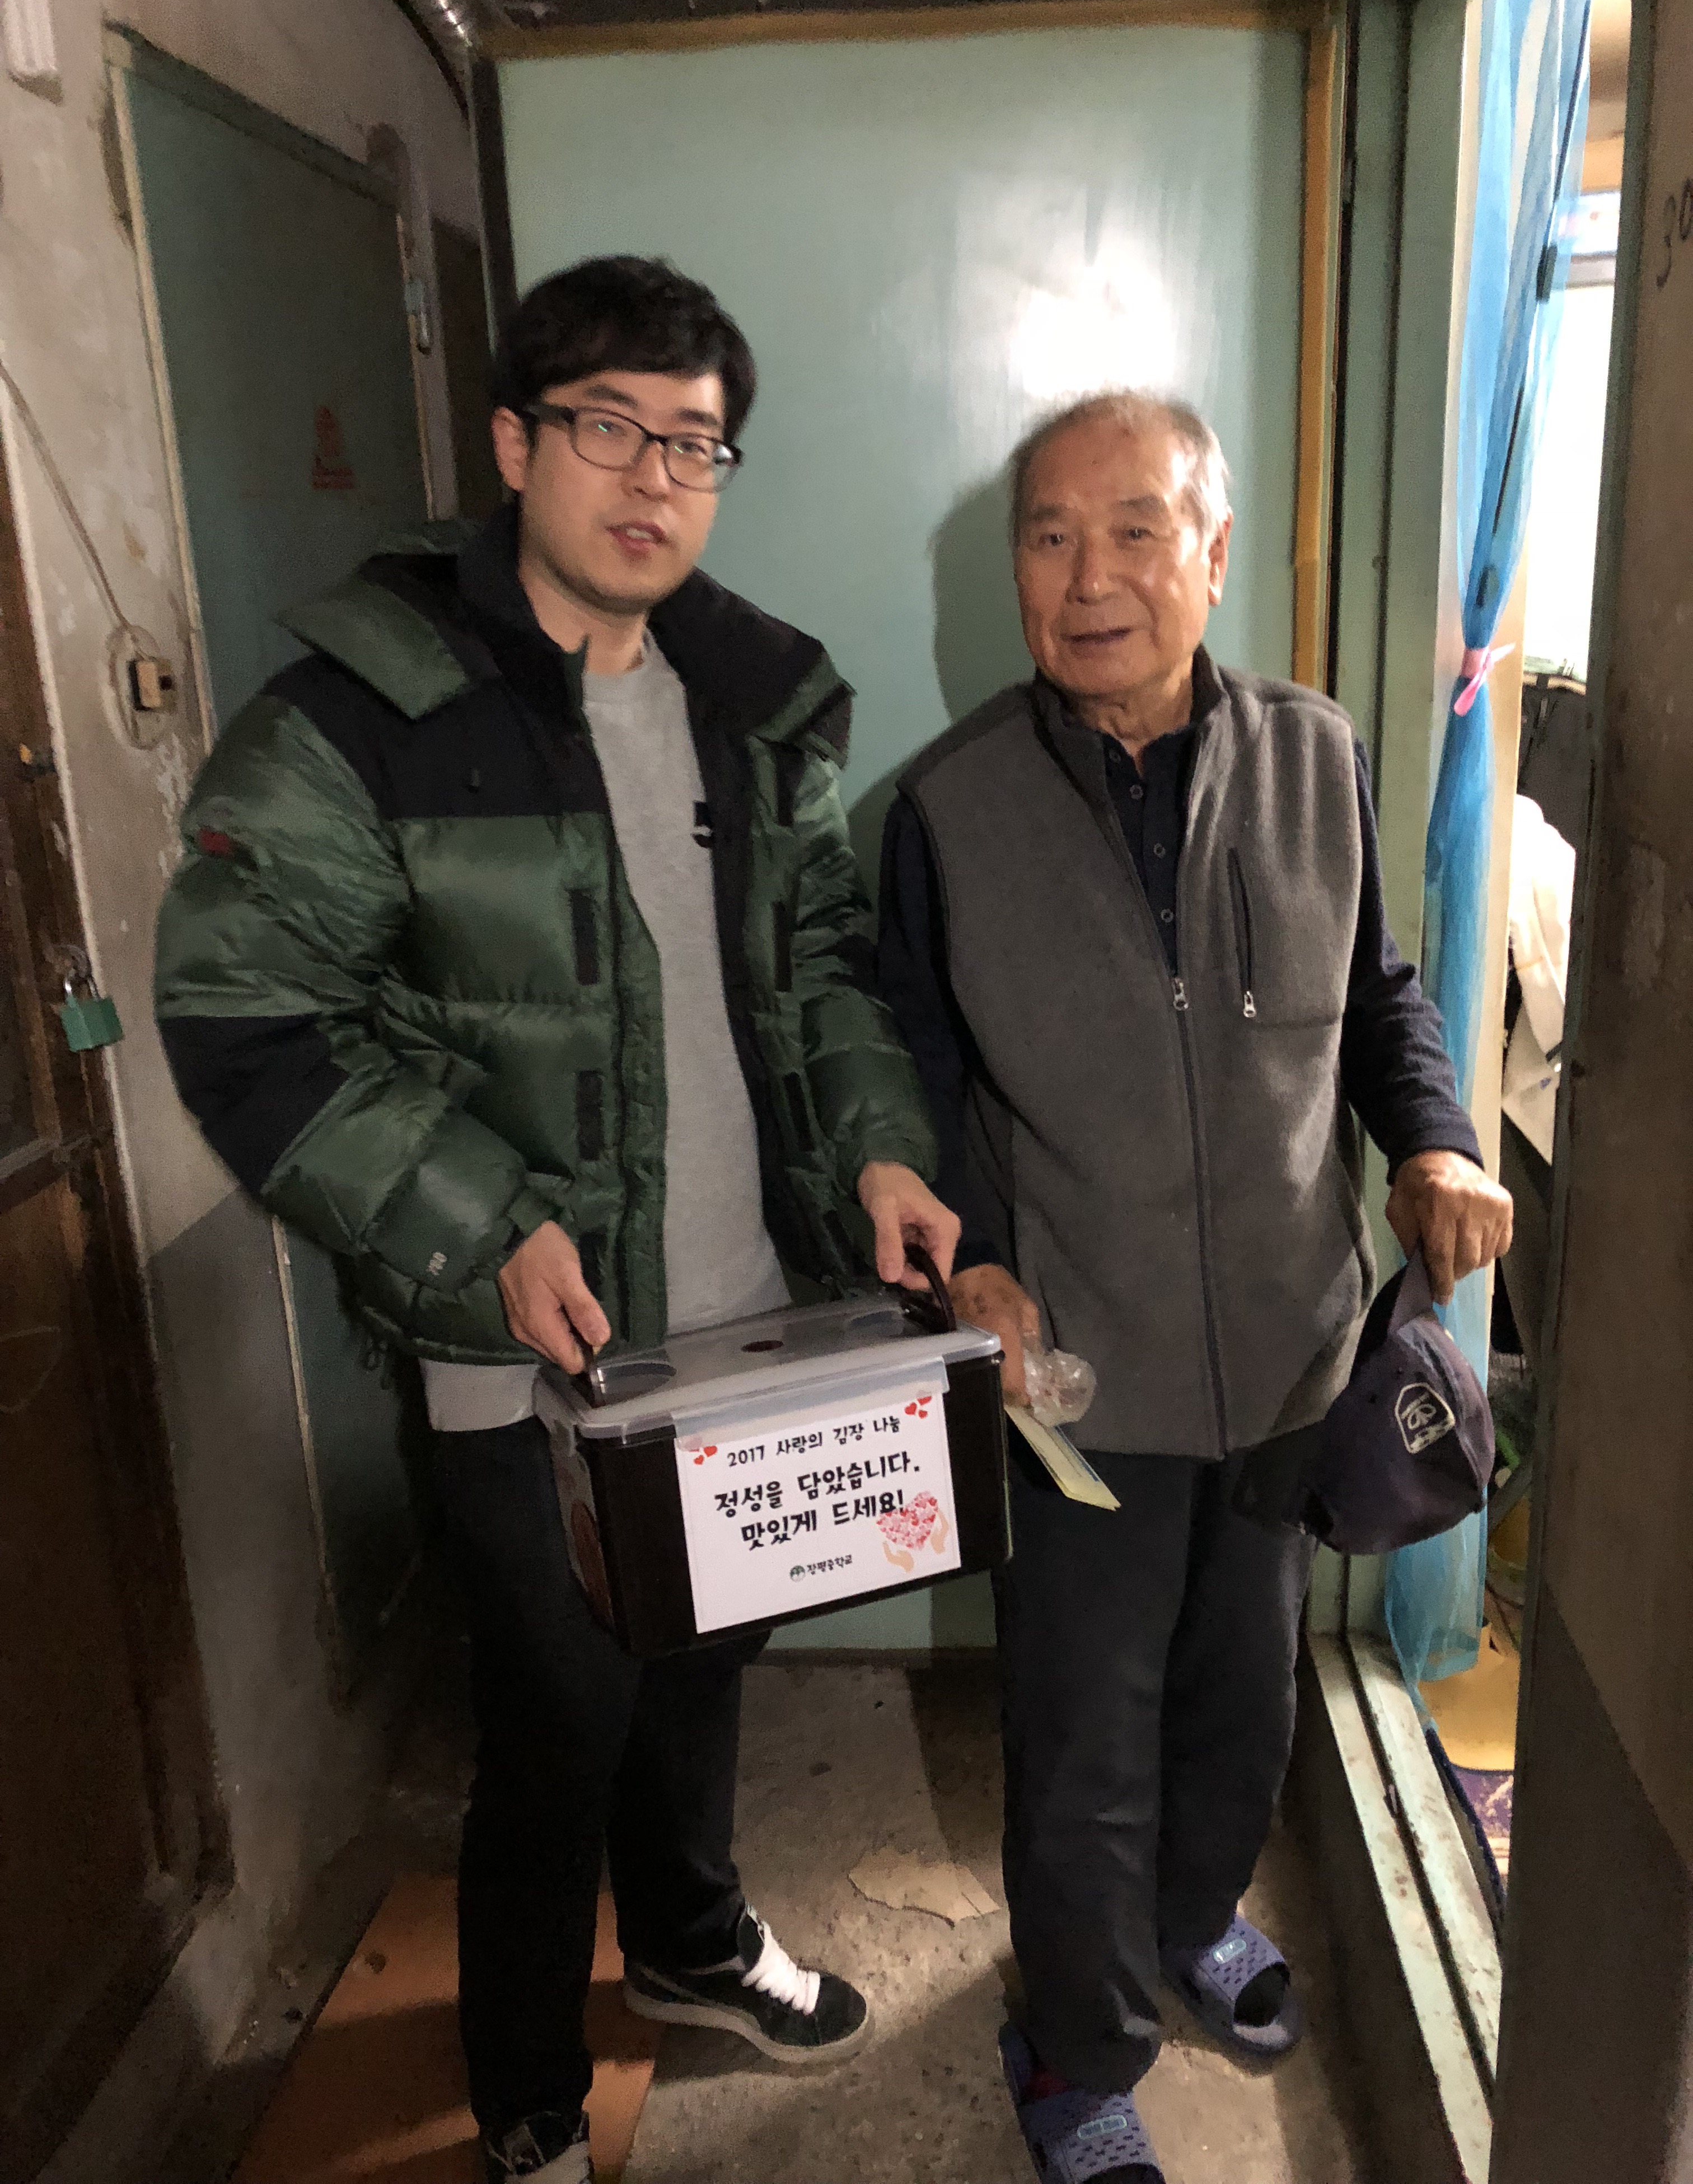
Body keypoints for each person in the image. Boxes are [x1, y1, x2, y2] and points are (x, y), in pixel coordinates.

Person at [155, 255, 958, 2184]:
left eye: (695, 443)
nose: (653, 478)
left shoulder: (757, 700)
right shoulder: (365, 715)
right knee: (556, 1714)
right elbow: (249, 1013)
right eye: (608, 428)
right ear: (514, 446)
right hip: (512, 1343)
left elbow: (819, 964)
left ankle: (688, 1939)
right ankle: (522, 2076)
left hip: (741, 1309)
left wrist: (878, 1151)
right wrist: (484, 1224)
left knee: (708, 1655)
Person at [877, 390, 1512, 2184]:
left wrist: (1435, 1142)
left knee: (1247, 1696)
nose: (1090, 578)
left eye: (1136, 531)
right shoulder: (947, 810)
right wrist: (972, 1261)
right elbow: (916, 1079)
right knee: (1084, 1733)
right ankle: (1078, 2055)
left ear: (1214, 555)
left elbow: (1378, 997)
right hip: (1076, 1382)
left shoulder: (1318, 756)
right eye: (1050, 536)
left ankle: (1190, 1917)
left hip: (1295, 1358)